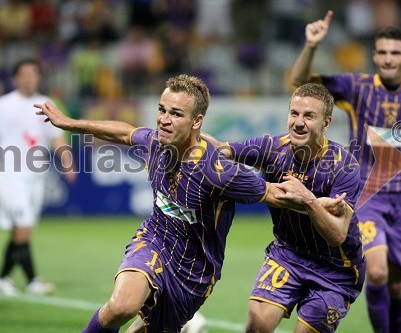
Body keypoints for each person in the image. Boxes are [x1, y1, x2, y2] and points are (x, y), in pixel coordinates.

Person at [35, 75, 345, 332]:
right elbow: (126, 132)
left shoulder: (220, 172)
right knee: (122, 305)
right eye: (162, 109)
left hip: (195, 272)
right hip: (156, 239)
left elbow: (274, 193)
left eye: (175, 114)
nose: (164, 120)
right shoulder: (157, 142)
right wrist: (71, 124)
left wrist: (317, 204)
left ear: (197, 121)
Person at [290, 11, 401, 333]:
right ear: (374, 56)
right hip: (366, 196)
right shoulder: (355, 86)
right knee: (376, 272)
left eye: (395, 53)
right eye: (383, 52)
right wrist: (311, 45)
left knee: (397, 285)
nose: (388, 59)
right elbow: (300, 82)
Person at [205, 83, 365, 332]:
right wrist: (186, 135)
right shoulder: (271, 148)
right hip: (288, 254)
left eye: (309, 116)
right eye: (294, 113)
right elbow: (221, 149)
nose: (298, 122)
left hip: (336, 270)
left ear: (326, 123)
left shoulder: (344, 166)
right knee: (257, 325)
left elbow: (337, 235)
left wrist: (309, 201)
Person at [0, 58, 75, 296]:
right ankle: (33, 280)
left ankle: (1, 278)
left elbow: (56, 137)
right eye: (25, 74)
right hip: (10, 174)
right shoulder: (2, 105)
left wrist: (67, 161)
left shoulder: (46, 104)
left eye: (34, 74)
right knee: (23, 227)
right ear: (16, 78)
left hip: (37, 176)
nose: (30, 78)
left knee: (19, 230)